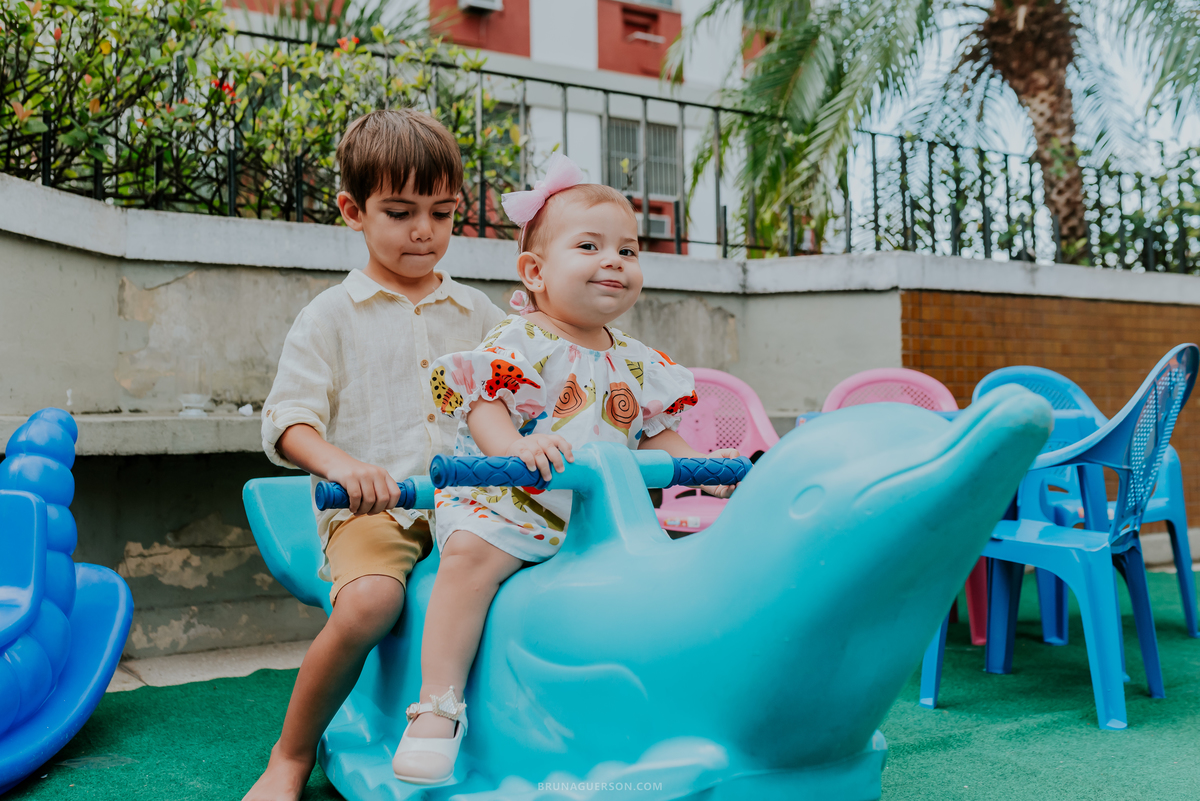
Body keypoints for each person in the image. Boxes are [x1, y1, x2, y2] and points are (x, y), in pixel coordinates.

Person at [392, 153, 739, 785]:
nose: (614, 261)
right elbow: (482, 403)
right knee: (469, 559)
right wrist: (513, 449)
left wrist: (707, 469)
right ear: (536, 272)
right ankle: (437, 707)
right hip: (512, 505)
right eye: (590, 246)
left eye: (628, 250)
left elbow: (661, 437)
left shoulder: (640, 362)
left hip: (604, 518)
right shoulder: (521, 342)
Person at [243, 109, 506, 801]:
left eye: (443, 213)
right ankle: (290, 754)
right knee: (369, 604)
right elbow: (290, 420)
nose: (425, 230)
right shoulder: (331, 315)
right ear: (353, 211)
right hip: (375, 512)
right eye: (400, 211)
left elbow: (518, 396)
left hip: (464, 504)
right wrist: (340, 465)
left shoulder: (479, 312)